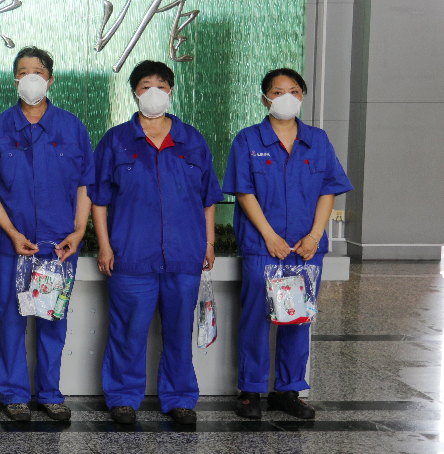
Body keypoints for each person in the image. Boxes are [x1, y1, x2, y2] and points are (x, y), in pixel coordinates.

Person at [91, 60, 223, 426]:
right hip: (131, 255)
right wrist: (105, 246)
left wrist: (209, 243)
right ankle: (122, 397)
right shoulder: (116, 140)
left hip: (184, 254)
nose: (154, 92)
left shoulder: (192, 140)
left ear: (171, 91)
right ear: (135, 92)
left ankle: (179, 397)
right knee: (127, 331)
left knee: (179, 331)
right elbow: (98, 200)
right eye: (146, 86)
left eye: (161, 86)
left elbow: (208, 198)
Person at [224, 68, 351, 420]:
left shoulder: (317, 140)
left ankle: (288, 390)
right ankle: (250, 391)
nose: (286, 97)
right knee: (255, 319)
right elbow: (244, 193)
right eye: (278, 91)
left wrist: (314, 237)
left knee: (296, 318)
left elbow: (329, 190)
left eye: (294, 90)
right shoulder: (248, 140)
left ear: (303, 96)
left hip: (304, 250)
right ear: (265, 98)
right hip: (263, 246)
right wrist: (269, 236)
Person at [0, 47, 93, 423]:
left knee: (52, 320)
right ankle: (14, 395)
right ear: (15, 80)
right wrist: (11, 232)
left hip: (59, 247)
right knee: (12, 322)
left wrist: (79, 231)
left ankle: (50, 394)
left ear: (50, 79)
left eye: (38, 71)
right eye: (23, 71)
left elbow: (85, 184)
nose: (31, 78)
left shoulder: (72, 127)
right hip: (14, 248)